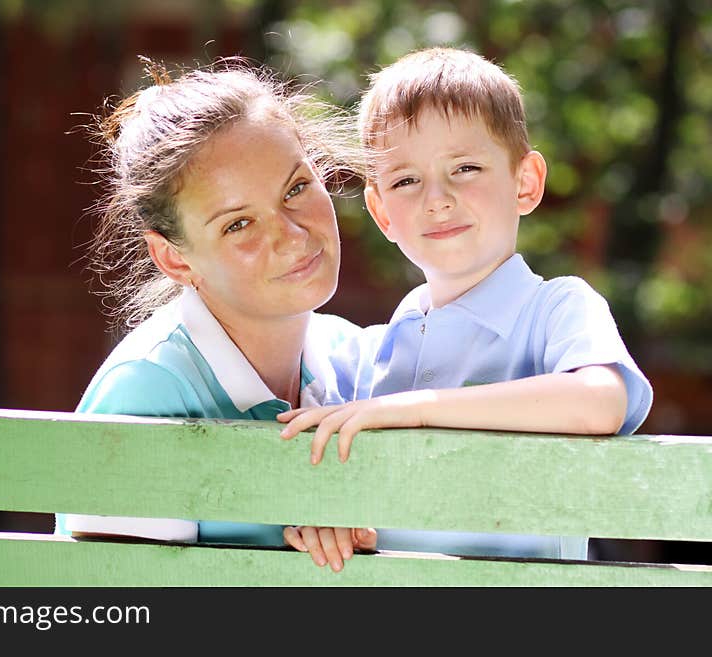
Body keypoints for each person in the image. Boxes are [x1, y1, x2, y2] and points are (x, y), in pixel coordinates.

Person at [278, 47, 654, 565]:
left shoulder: (556, 308)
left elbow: (602, 401)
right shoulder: (366, 357)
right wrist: (324, 522)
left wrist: (419, 410)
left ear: (525, 182)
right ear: (381, 211)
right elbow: (313, 479)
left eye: (467, 167)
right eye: (406, 180)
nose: (438, 198)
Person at [55, 59, 375, 570]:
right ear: (175, 258)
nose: (292, 235)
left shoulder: (356, 357)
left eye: (296, 188)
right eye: (239, 224)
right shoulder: (145, 394)